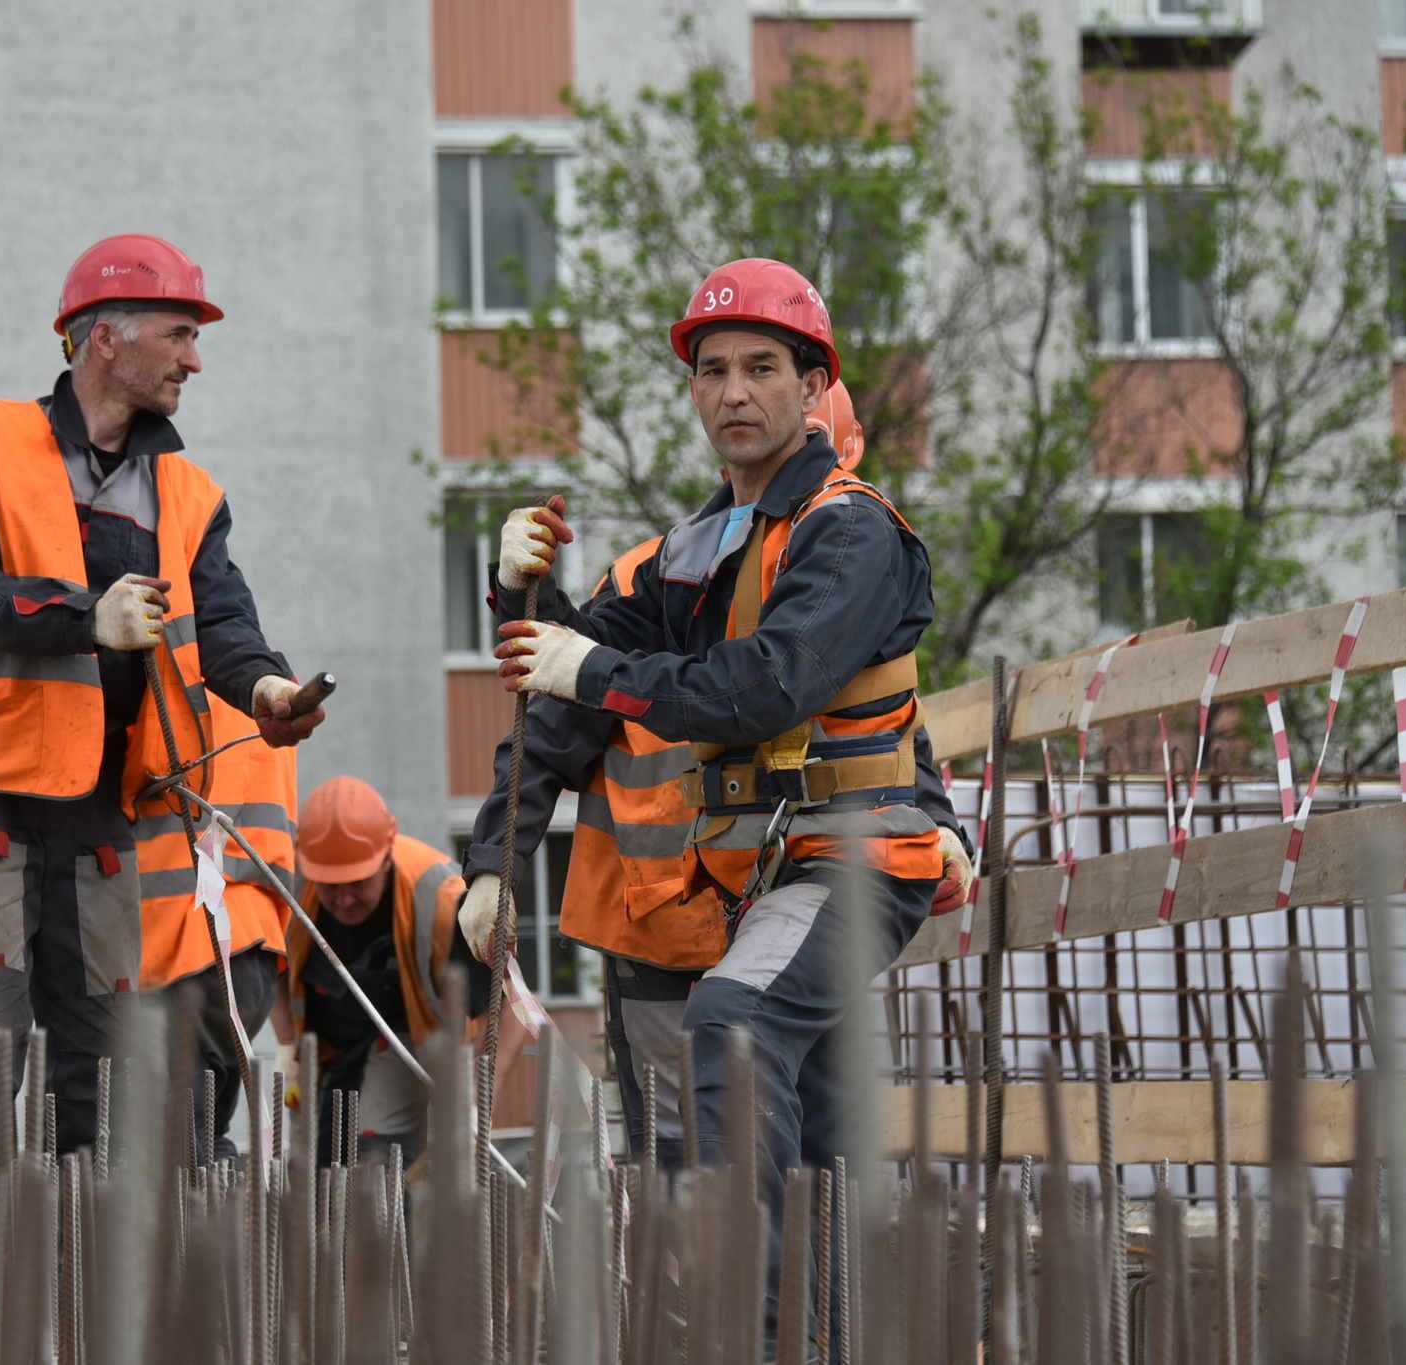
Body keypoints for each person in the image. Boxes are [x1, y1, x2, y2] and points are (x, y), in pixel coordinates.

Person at [487, 257, 942, 1298]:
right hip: (763, 873)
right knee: (818, 1127)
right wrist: (521, 590)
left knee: (731, 1025)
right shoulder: (700, 545)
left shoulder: (850, 529)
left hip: (853, 857)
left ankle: (763, 1333)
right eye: (712, 370)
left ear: (812, 385)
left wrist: (588, 665)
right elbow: (565, 670)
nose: (733, 391)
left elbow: (762, 688)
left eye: (761, 367)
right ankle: (834, 1324)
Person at [456, 383, 971, 1170]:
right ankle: (732, 1293)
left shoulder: (840, 556)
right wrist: (495, 864)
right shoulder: (676, 571)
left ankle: (788, 1294)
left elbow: (886, 725)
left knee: (806, 1158)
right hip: (657, 924)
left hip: (768, 904)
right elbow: (552, 715)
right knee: (684, 1165)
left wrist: (942, 827)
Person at [0, 233, 323, 1156]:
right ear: (104, 339)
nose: (195, 358)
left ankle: (79, 1283)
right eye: (179, 333)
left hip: (99, 808)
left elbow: (227, 629)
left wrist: (271, 691)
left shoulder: (189, 492)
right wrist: (87, 617)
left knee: (102, 1060)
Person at [280, 776, 491, 1162]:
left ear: (386, 855)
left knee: (378, 1160)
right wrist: (284, 1049)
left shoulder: (440, 895)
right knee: (317, 1169)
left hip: (413, 1047)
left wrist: (475, 1101)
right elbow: (275, 969)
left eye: (357, 883)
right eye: (329, 886)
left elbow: (505, 1006)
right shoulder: (291, 886)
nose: (343, 900)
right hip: (330, 1054)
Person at [137, 691, 299, 1155]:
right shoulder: (270, 688)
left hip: (184, 946)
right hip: (252, 948)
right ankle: (229, 1220)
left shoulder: (166, 683)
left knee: (177, 1148)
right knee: (204, 1138)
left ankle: (209, 1223)